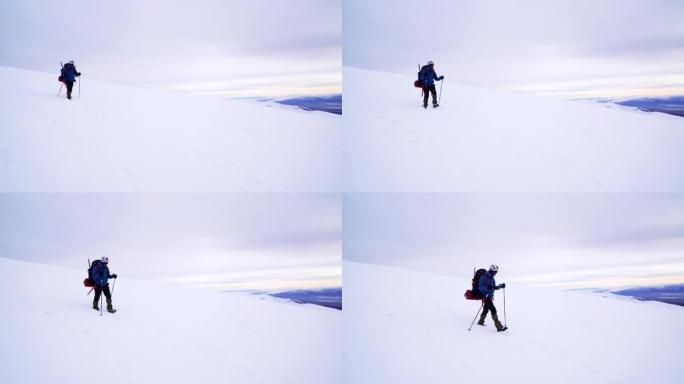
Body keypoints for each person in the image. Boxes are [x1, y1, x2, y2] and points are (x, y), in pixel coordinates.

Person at [477, 264, 507, 332]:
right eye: (495, 271)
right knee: (493, 310)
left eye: (496, 271)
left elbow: (493, 287)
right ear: (491, 270)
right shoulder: (483, 277)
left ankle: (480, 321)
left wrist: (501, 286)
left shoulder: (492, 278)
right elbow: (480, 287)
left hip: (490, 297)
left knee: (485, 310)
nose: (496, 273)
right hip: (485, 296)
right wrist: (487, 287)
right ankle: (499, 326)